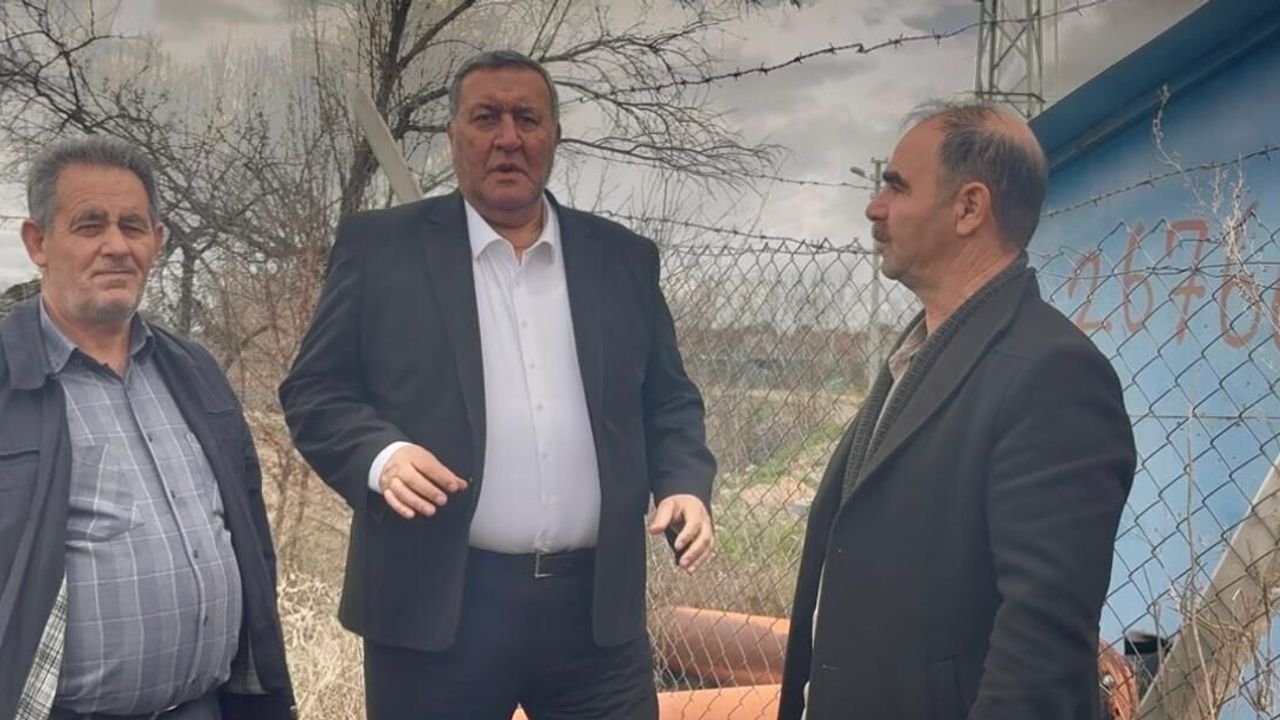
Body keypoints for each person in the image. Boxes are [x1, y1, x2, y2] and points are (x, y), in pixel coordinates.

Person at [279, 49, 716, 720]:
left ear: (555, 136)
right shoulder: (382, 249)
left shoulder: (622, 259)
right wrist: (380, 456)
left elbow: (668, 400)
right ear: (454, 135)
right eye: (486, 117)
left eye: (527, 119)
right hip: (435, 612)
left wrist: (682, 482)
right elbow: (315, 391)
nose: (508, 137)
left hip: (594, 622)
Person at [779, 103, 1136, 720]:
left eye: (897, 187)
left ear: (969, 208)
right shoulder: (919, 356)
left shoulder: (1052, 375)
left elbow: (1039, 652)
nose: (875, 207)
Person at [0, 137, 295, 720]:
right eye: (89, 225)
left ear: (156, 242)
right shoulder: (9, 380)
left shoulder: (195, 371)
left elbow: (249, 537)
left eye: (133, 226)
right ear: (38, 242)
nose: (116, 246)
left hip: (205, 707)